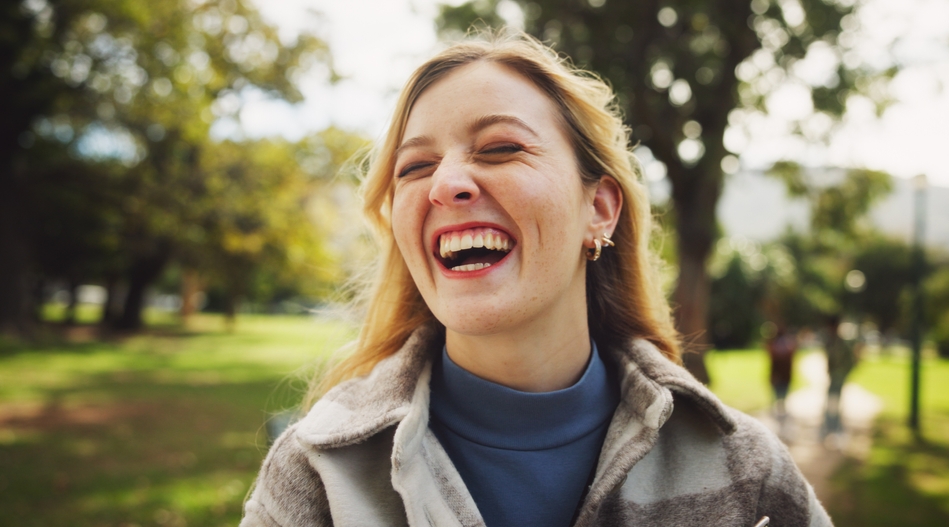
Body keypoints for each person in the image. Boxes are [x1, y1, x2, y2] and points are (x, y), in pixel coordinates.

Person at [241, 31, 832, 527]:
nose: (445, 184)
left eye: (499, 149)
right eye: (415, 166)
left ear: (598, 209)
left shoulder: (745, 471)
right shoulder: (315, 473)